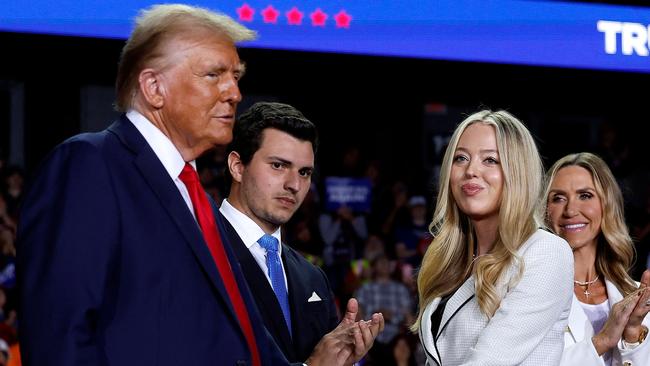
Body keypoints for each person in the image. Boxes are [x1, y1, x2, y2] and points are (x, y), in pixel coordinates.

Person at [16, 4, 382, 366]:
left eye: (236, 76)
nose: (234, 93)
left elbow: (239, 345)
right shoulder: (90, 164)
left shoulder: (199, 202)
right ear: (154, 87)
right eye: (213, 74)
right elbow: (60, 336)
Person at [220, 102, 383, 363]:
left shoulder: (312, 277)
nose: (294, 184)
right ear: (238, 166)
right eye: (278, 165)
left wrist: (344, 359)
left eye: (304, 172)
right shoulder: (197, 253)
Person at [412, 109, 574, 365]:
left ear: (518, 171)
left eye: (490, 160)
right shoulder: (448, 259)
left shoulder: (546, 252)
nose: (471, 170)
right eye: (461, 158)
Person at [544, 152, 650, 365]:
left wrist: (632, 333)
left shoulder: (637, 295)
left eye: (585, 195)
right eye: (558, 198)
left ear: (606, 205)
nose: (571, 210)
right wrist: (601, 341)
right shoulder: (529, 294)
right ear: (545, 210)